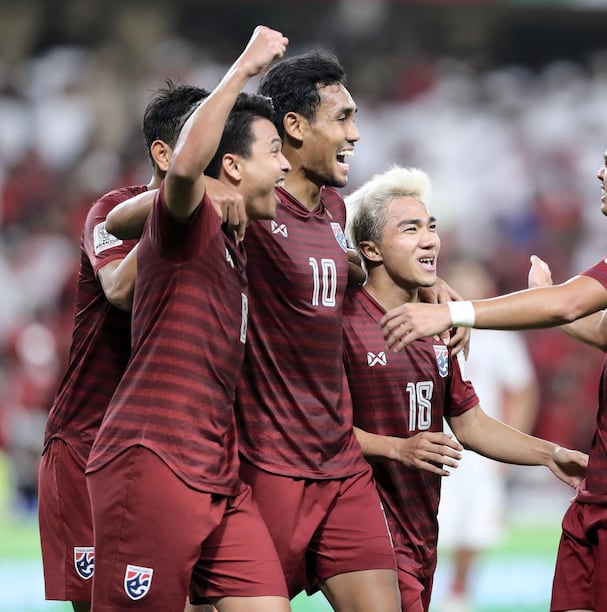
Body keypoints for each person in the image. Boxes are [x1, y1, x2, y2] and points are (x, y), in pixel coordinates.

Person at [380, 94, 607, 611]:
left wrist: (453, 312)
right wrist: (554, 300)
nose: (599, 174)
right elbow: (606, 329)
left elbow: (564, 307)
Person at [85, 26, 292, 611]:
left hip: (218, 471)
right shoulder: (188, 227)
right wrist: (245, 67)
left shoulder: (239, 240)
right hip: (151, 460)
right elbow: (177, 178)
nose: (284, 167)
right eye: (273, 152)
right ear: (228, 165)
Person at [342, 165, 588, 612]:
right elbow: (316, 428)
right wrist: (397, 448)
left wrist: (550, 455)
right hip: (361, 525)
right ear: (371, 249)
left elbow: (470, 423)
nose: (430, 239)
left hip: (418, 522)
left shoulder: (439, 327)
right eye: (411, 229)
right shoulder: (341, 320)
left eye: (431, 227)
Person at [234, 50, 402, 611]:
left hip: (341, 462)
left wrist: (424, 287)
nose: (355, 133)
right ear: (295, 127)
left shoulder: (333, 208)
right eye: (342, 118)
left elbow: (343, 265)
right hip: (268, 461)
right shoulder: (250, 209)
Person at [37, 80, 209, 612]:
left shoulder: (222, 223)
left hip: (174, 450)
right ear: (164, 153)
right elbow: (120, 290)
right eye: (203, 137)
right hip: (88, 444)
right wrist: (176, 205)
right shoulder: (113, 210)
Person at [434, 256, 540, 612]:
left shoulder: (497, 337)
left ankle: (458, 595)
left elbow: (523, 389)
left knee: (475, 526)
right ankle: (422, 591)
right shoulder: (430, 327)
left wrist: (512, 441)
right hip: (437, 442)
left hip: (481, 448)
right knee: (432, 525)